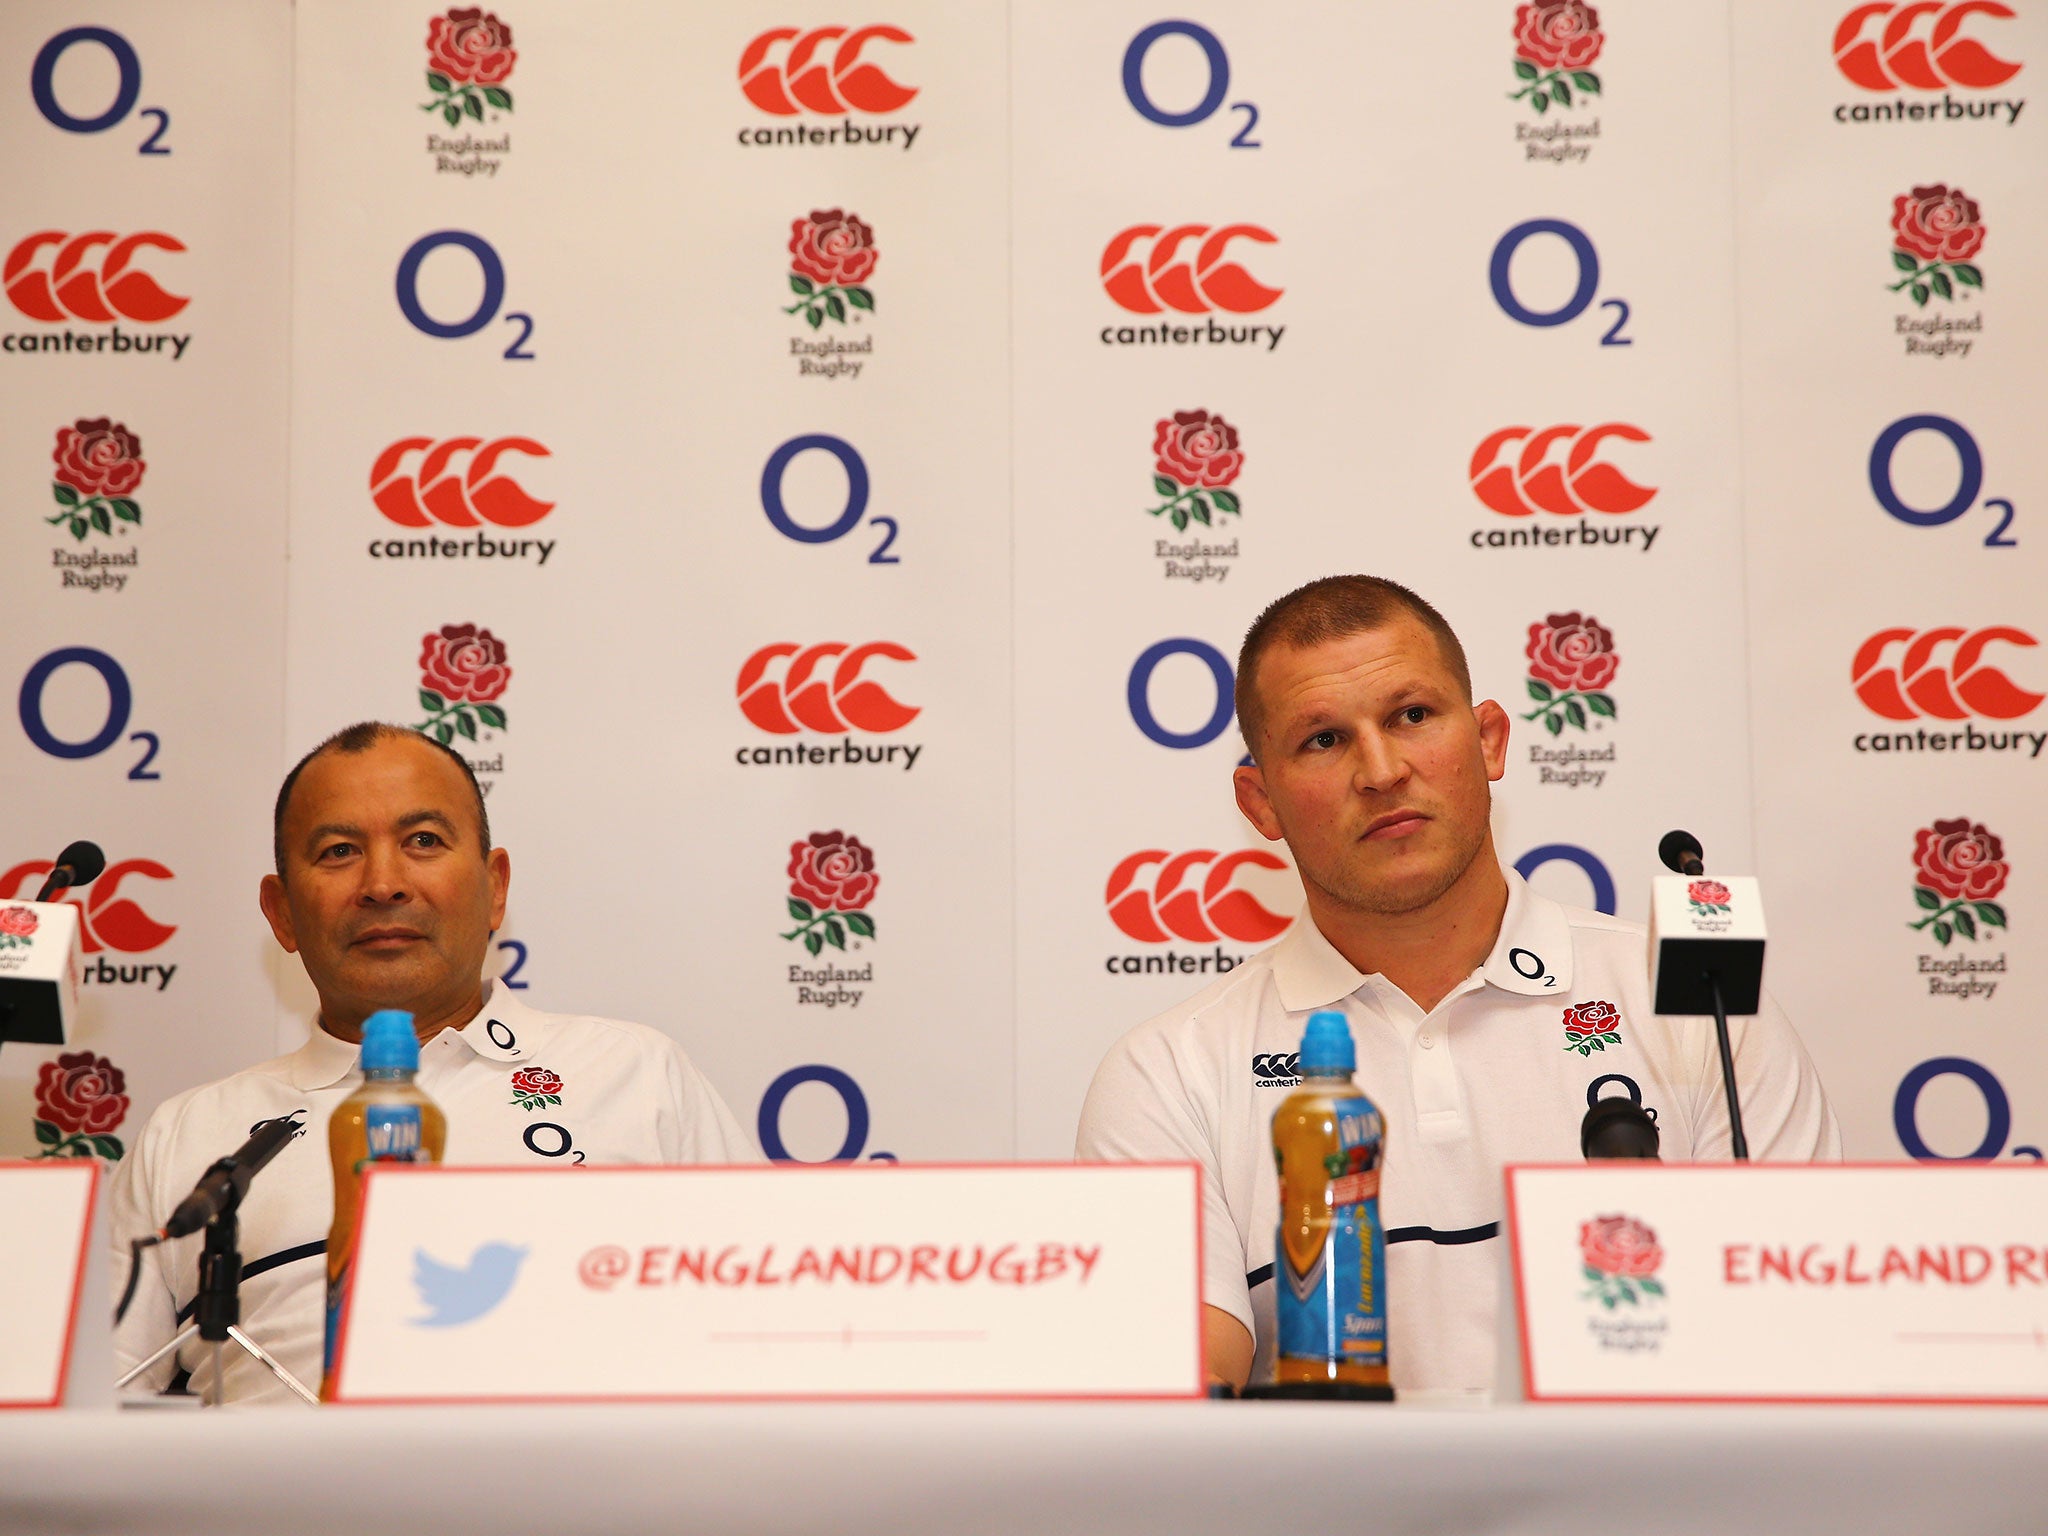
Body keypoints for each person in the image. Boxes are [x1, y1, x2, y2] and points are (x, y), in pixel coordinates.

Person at [1076, 576, 1839, 1398]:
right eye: (1324, 740)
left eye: (1411, 716)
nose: (1381, 770)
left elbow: (1806, 1338)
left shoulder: (1696, 1006)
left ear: (1490, 742)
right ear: (1259, 802)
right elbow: (1174, 1401)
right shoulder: (1172, 1072)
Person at [110, 722, 757, 1404]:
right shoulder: (195, 1138)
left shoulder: (635, 1075)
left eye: (423, 841)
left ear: (495, 887)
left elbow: (772, 1336)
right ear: (282, 914)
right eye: (338, 851)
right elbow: (86, 1407)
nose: (383, 883)